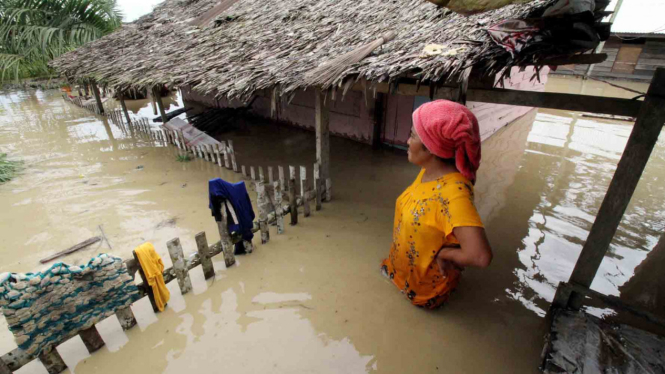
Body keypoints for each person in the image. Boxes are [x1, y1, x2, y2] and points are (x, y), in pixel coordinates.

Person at [381, 100, 492, 309]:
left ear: (431, 148)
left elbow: (480, 256)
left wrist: (445, 254)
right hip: (401, 273)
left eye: (412, 136)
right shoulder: (428, 172)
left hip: (424, 293)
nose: (406, 140)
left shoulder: (453, 195)